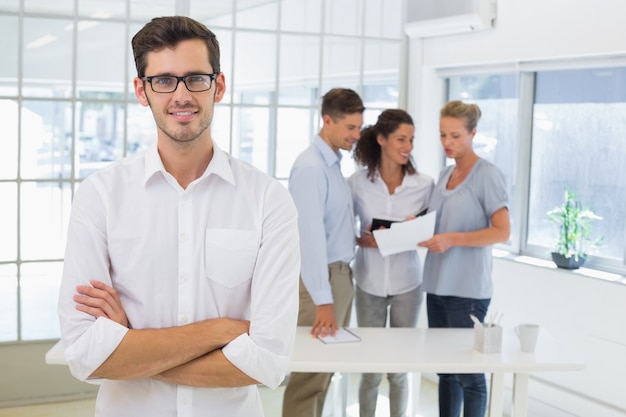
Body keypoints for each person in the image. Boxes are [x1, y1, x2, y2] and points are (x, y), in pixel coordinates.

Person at [57, 16, 301, 417]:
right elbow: (87, 356)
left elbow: (268, 361)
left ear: (218, 86)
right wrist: (218, 332)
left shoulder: (268, 200)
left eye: (196, 79)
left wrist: (132, 345)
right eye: (164, 80)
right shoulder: (100, 196)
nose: (181, 95)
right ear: (142, 90)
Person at [418, 100, 510, 417]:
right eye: (443, 135)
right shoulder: (445, 174)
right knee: (446, 370)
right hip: (437, 286)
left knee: (470, 375)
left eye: (455, 135)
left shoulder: (487, 175)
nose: (447, 142)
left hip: (467, 291)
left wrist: (452, 239)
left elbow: (502, 231)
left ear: (473, 133)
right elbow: (439, 225)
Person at [282, 88, 364, 417]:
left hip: (339, 275)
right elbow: (310, 238)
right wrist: (323, 299)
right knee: (310, 373)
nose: (357, 135)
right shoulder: (311, 168)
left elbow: (332, 226)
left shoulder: (331, 166)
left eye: (359, 127)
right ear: (327, 121)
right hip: (323, 280)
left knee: (325, 368)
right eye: (350, 128)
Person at [348, 109, 434, 417]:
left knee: (399, 368)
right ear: (382, 139)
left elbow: (433, 230)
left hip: (407, 284)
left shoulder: (424, 184)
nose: (408, 146)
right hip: (368, 281)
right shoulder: (357, 183)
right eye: (401, 139)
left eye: (411, 140)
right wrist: (363, 240)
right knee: (370, 368)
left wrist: (415, 229)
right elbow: (344, 230)